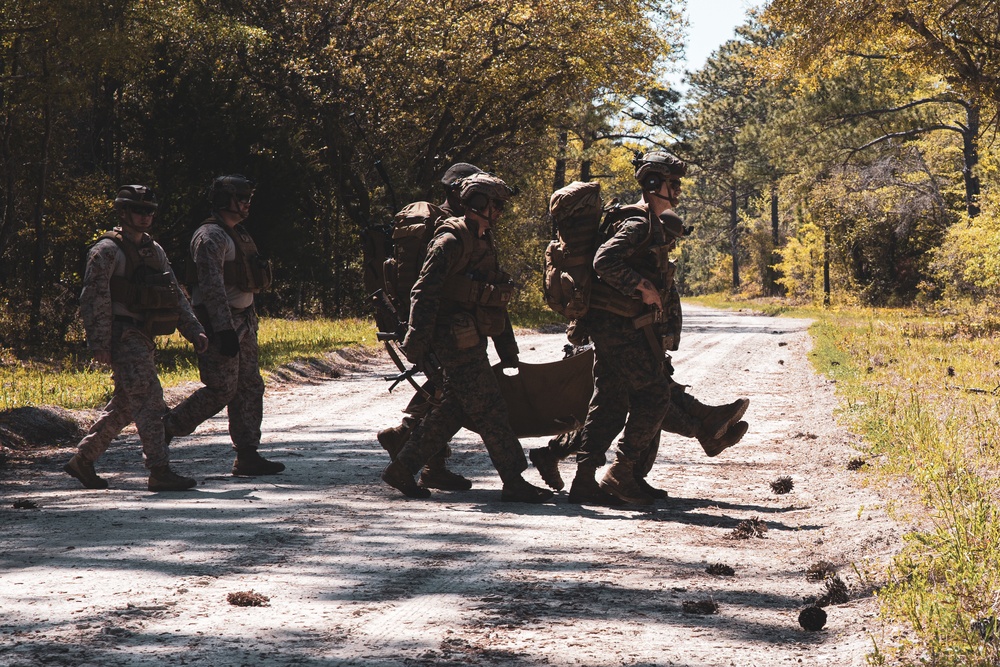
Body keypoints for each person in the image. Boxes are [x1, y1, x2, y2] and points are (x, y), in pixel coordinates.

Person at [566, 151, 747, 506]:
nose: (677, 192)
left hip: (613, 325)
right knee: (654, 396)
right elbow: (604, 260)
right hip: (620, 326)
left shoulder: (645, 221)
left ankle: (586, 480)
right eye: (672, 184)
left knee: (611, 402)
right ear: (653, 184)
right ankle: (622, 472)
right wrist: (641, 286)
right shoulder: (638, 223)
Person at [380, 173, 553, 503]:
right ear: (478, 204)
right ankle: (514, 480)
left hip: (470, 335)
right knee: (490, 408)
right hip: (453, 338)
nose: (501, 211)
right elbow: (423, 290)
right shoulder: (451, 239)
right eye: (496, 204)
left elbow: (495, 296)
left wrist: (508, 349)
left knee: (454, 409)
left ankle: (402, 469)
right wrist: (417, 341)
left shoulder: (483, 239)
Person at [64, 185, 209, 491]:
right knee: (150, 400)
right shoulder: (105, 251)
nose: (145, 217)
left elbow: (175, 295)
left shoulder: (154, 251)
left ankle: (84, 459)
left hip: (143, 335)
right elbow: (94, 298)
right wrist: (100, 343)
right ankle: (159, 469)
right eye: (138, 211)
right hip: (123, 335)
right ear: (123, 212)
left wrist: (193, 329)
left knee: (128, 404)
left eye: (149, 212)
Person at [163, 175, 284, 476]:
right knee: (221, 389)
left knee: (249, 386)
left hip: (243, 321)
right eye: (241, 197)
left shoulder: (238, 235)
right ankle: (165, 428)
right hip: (221, 323)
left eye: (248, 197)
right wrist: (223, 328)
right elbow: (211, 286)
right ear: (224, 200)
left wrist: (245, 323)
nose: (247, 203)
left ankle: (247, 454)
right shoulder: (211, 237)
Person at [376, 162, 484, 491]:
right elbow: (436, 283)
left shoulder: (437, 223)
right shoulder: (449, 228)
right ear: (458, 191)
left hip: (418, 316)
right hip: (442, 321)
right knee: (454, 390)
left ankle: (431, 464)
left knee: (443, 386)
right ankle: (406, 436)